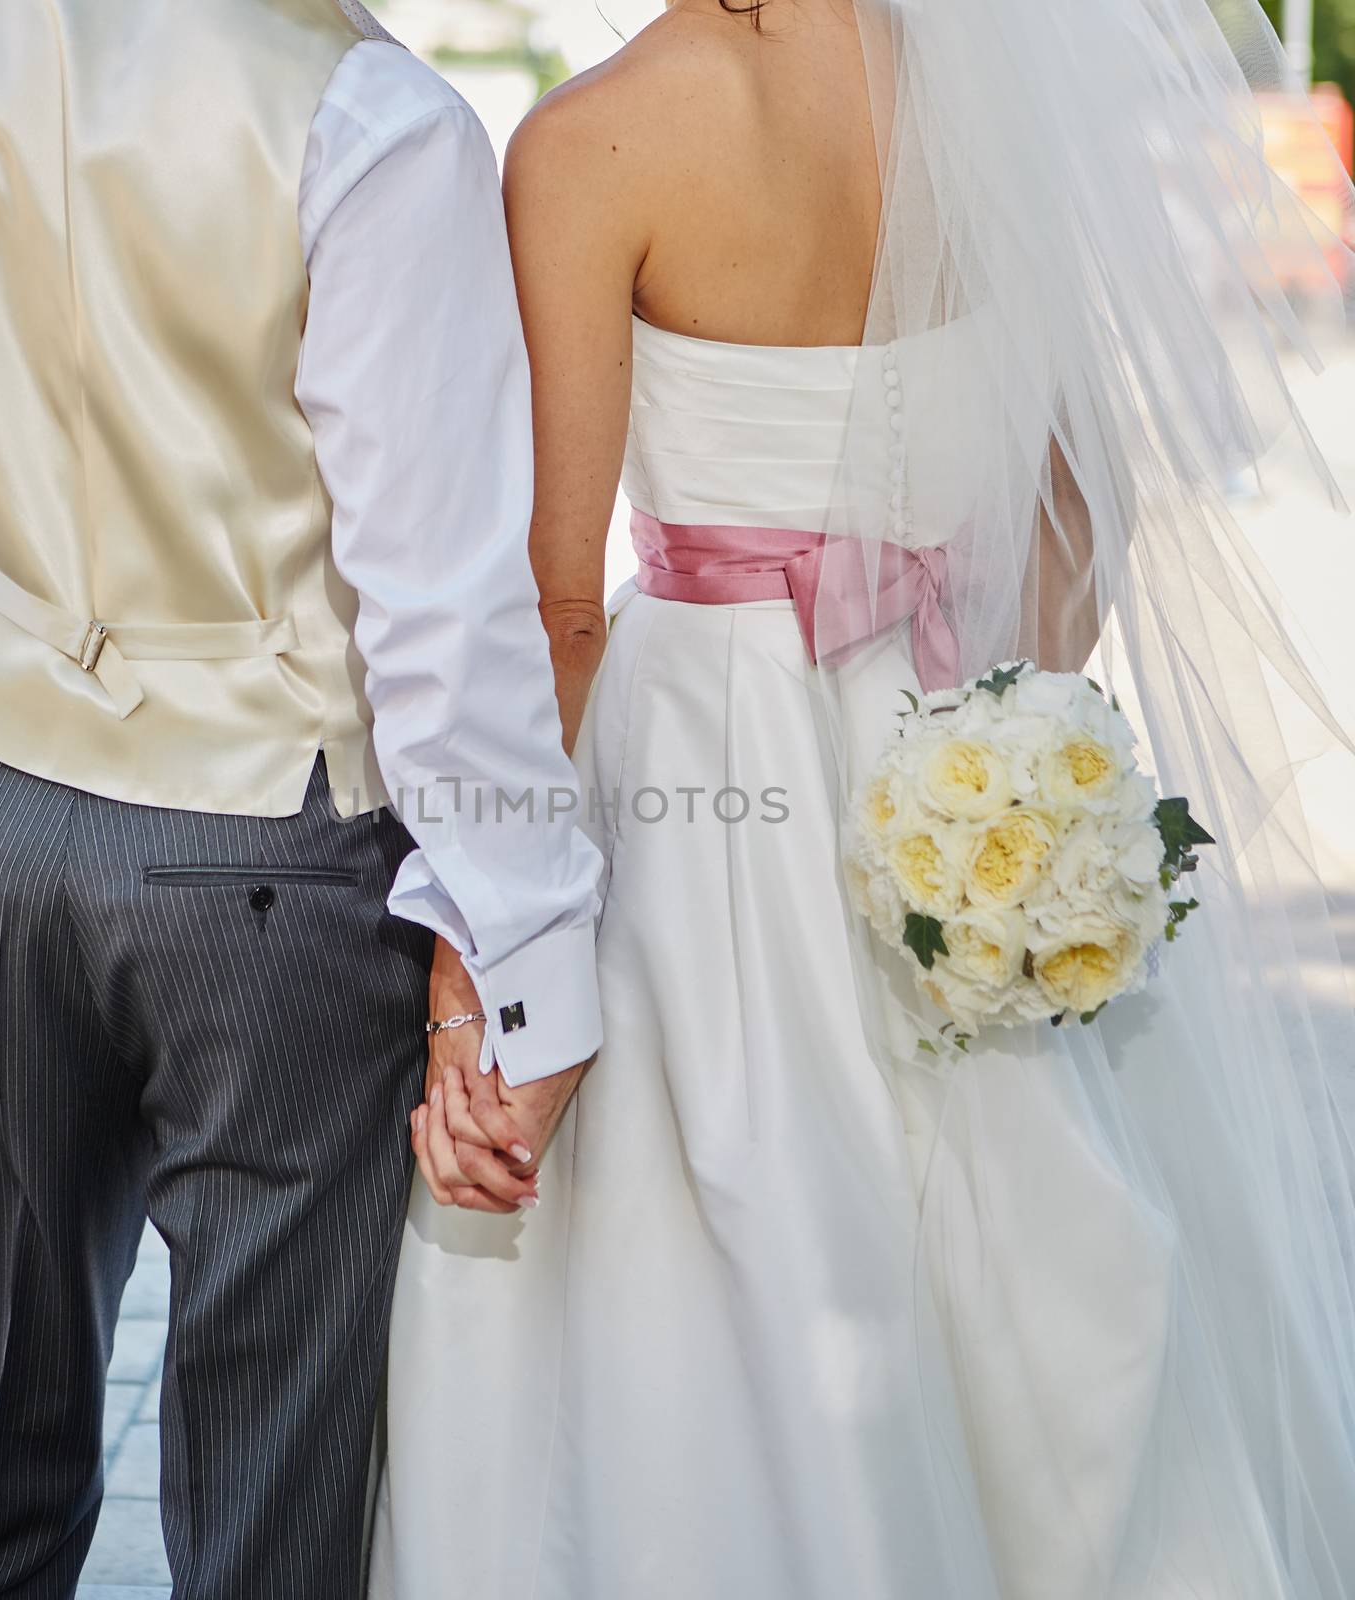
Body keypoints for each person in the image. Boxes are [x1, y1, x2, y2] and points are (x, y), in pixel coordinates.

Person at [372, 0, 1355, 1596]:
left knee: (690, 1253)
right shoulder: (986, 104)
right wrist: (975, 783)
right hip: (949, 757)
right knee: (1017, 1242)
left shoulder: (589, 144)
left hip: (697, 757)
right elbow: (1073, 531)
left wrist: (476, 973)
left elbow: (553, 610)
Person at [0, 0, 602, 1593]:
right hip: (270, 861)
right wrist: (530, 963)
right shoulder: (381, 123)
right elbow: (441, 615)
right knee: (266, 1508)